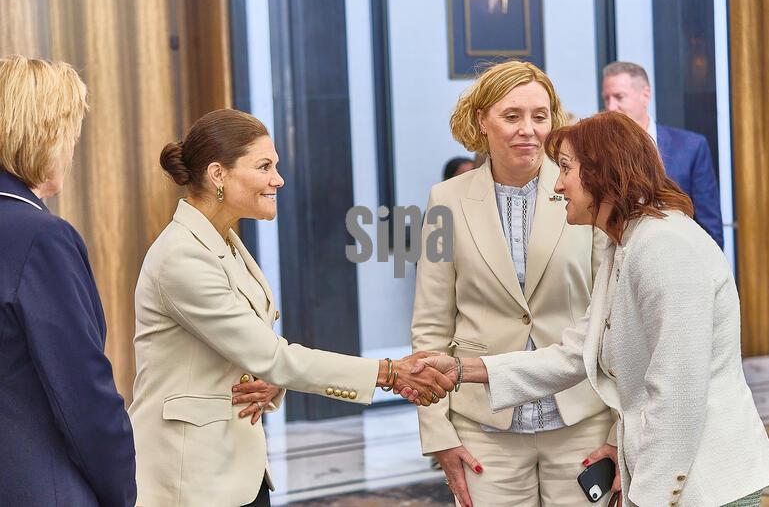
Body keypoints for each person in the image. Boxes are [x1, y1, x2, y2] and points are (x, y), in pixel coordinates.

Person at [415, 111, 769, 506]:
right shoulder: (624, 244)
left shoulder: (665, 247)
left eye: (566, 168)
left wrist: (649, 499)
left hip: (708, 485)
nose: (558, 184)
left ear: (603, 173)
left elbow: (678, 396)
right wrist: (462, 369)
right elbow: (576, 352)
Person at [128, 108, 453, 507]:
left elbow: (250, 351)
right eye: (264, 166)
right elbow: (270, 355)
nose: (278, 179)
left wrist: (272, 378)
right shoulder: (183, 256)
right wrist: (388, 372)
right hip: (190, 479)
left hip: (234, 468)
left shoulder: (221, 240)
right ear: (218, 175)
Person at [411, 60, 612, 507]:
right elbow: (430, 325)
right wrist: (437, 432)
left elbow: (615, 317)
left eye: (540, 116)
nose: (528, 130)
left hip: (583, 420)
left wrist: (620, 429)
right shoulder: (444, 201)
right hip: (484, 430)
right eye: (511, 116)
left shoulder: (587, 192)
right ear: (482, 120)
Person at [0, 55, 136, 506]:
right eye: (71, 134)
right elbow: (82, 394)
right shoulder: (39, 237)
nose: (73, 150)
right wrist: (123, 491)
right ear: (43, 135)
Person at [601, 61, 724, 248]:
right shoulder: (601, 152)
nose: (611, 107)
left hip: (680, 258)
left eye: (619, 97)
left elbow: (710, 227)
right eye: (606, 98)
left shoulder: (690, 147)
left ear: (645, 95)